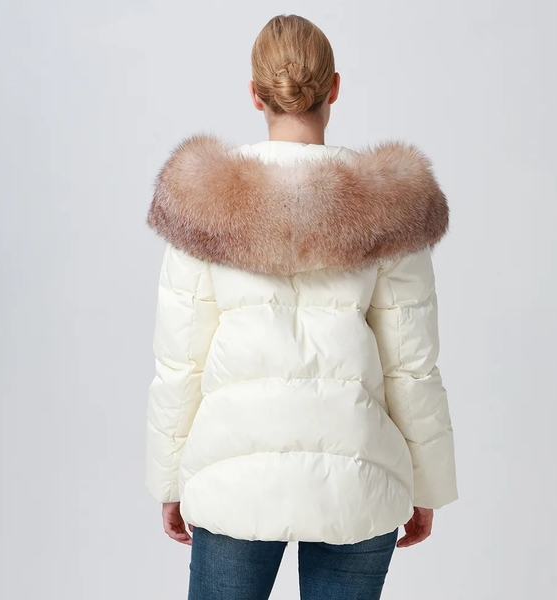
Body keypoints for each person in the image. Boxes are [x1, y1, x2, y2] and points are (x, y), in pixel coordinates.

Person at [145, 13, 458, 600]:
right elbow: (411, 366)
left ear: (255, 93)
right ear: (333, 88)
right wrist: (427, 485)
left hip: (232, 478)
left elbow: (180, 362)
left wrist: (168, 478)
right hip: (359, 477)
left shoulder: (202, 201)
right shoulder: (388, 203)